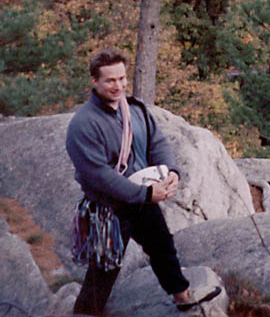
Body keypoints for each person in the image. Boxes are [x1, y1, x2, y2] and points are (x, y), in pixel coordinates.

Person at [66, 49, 219, 314]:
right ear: (94, 81)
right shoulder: (83, 124)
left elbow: (157, 142)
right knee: (105, 267)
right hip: (108, 207)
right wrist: (145, 194)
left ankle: (182, 296)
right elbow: (99, 175)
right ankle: (85, 313)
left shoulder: (134, 109)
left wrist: (170, 171)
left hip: (141, 199)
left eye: (122, 78)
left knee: (163, 247)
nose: (119, 86)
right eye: (110, 80)